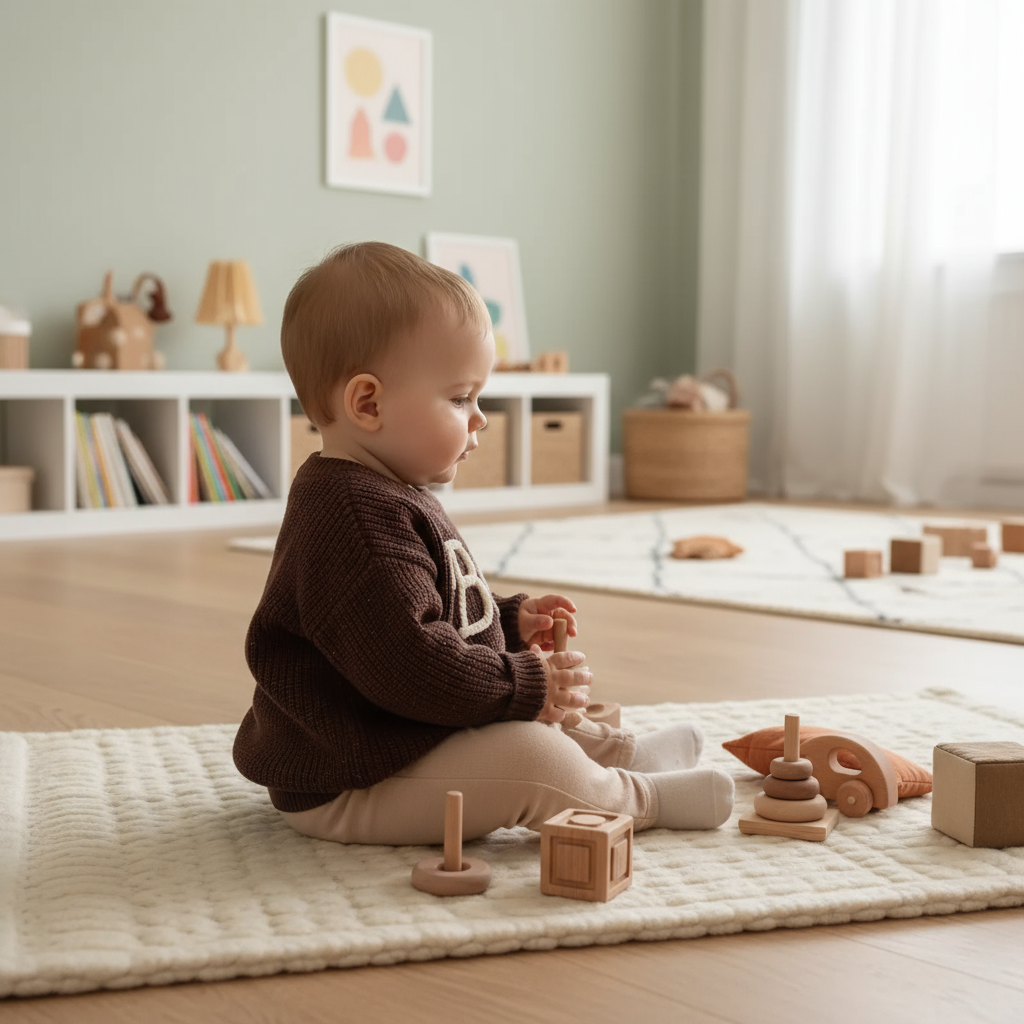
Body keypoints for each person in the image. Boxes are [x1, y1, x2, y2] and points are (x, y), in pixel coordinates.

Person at [233, 241, 734, 845]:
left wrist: (507, 619)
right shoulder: (353, 519)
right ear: (368, 403)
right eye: (459, 397)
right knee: (526, 752)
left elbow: (428, 611)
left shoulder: (384, 491)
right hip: (353, 780)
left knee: (538, 720)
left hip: (399, 733)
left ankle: (619, 753)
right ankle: (636, 798)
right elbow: (413, 666)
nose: (481, 417)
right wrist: (524, 683)